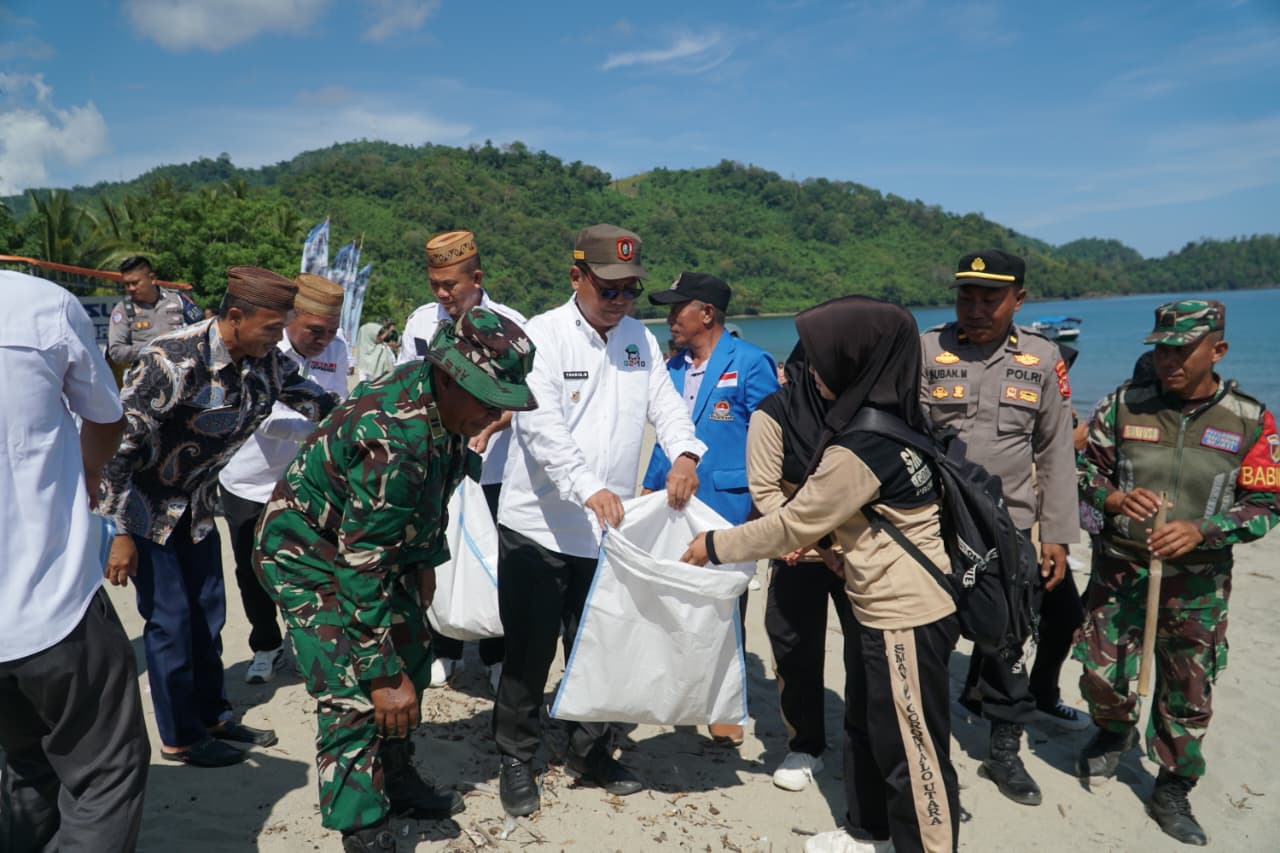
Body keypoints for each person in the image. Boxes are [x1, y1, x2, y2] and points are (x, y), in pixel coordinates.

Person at [683, 296, 961, 853]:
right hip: (903, 602)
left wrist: (713, 545)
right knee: (894, 734)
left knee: (916, 757)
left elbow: (792, 523)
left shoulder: (861, 446)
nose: (810, 369)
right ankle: (874, 832)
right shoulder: (897, 421)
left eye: (827, 356)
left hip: (902, 613)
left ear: (858, 362)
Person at [255, 307, 537, 853]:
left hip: (381, 550)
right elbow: (360, 568)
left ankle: (397, 777)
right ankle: (361, 824)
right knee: (358, 688)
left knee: (410, 654)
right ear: (452, 379)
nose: (494, 415)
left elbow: (433, 493)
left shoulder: (445, 408)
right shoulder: (393, 437)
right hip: (307, 556)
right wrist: (380, 677)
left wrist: (425, 561)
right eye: (488, 400)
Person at [493, 224, 706, 816]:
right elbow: (540, 428)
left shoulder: (639, 338)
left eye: (629, 291)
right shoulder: (544, 336)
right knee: (530, 653)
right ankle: (516, 756)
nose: (619, 302)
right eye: (608, 289)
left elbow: (666, 407)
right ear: (576, 276)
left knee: (600, 647)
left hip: (610, 533)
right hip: (538, 526)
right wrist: (588, 487)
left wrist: (686, 453)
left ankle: (589, 752)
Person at [98, 265, 341, 768]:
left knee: (209, 612)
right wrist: (116, 530)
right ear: (236, 317)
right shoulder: (172, 359)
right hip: (146, 507)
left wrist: (376, 414)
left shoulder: (266, 363)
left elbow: (320, 403)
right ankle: (181, 736)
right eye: (273, 328)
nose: (279, 339)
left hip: (201, 504)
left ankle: (213, 717)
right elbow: (119, 446)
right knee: (171, 620)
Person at [1074, 299, 1280, 846]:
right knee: (1100, 671)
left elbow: (1266, 504)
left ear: (1218, 350)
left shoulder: (1249, 418)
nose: (1169, 361)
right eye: (1161, 349)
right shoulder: (1124, 404)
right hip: (1120, 569)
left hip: (1198, 583)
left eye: (1182, 350)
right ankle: (1113, 731)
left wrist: (1203, 531)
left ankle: (1172, 784)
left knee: (1187, 690)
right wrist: (1115, 499)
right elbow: (1083, 470)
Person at [918, 249, 1083, 807]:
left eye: (990, 298)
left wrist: (1056, 534)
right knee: (928, 637)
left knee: (1007, 640)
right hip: (935, 524)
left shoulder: (1042, 358)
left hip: (1010, 526)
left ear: (1019, 300)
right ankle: (926, 743)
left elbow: (1057, 450)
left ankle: (1004, 751)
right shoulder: (927, 349)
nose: (976, 308)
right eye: (967, 296)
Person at [0, 270, 149, 853]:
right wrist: (88, 471)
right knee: (105, 773)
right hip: (50, 603)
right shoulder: (37, 305)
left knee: (25, 762)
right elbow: (106, 417)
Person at [641, 270, 779, 746]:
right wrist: (648, 487)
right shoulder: (671, 367)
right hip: (673, 504)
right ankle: (679, 690)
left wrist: (766, 503)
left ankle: (725, 707)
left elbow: (772, 437)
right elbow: (667, 436)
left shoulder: (753, 361)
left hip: (728, 505)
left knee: (725, 607)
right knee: (674, 598)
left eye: (677, 308)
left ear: (707, 313)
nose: (668, 317)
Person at [397, 229, 529, 692]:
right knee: (435, 550)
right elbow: (406, 383)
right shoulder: (420, 324)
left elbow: (526, 398)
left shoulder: (510, 324)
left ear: (476, 277)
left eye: (450, 284)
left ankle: (496, 652)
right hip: (434, 465)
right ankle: (444, 649)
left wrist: (494, 422)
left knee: (496, 560)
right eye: (434, 283)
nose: (441, 293)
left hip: (492, 468)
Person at [218, 273, 351, 684]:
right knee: (252, 570)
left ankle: (318, 640)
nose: (324, 340)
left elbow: (338, 401)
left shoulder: (339, 347)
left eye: (330, 332)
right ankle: (267, 644)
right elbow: (266, 418)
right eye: (315, 330)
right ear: (293, 318)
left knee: (317, 565)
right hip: (248, 481)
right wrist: (325, 429)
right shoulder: (262, 346)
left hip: (308, 482)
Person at [746, 344, 857, 792]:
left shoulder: (866, 408)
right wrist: (809, 541)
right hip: (796, 547)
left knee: (869, 650)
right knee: (793, 645)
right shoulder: (773, 413)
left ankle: (866, 738)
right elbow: (765, 489)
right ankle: (806, 743)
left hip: (857, 550)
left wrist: (839, 546)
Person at [106, 255, 203, 368]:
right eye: (127, 284)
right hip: (146, 377)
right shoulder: (123, 310)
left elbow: (202, 332)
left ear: (152, 279)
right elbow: (116, 352)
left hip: (184, 374)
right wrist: (154, 348)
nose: (131, 288)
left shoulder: (178, 300)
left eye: (135, 283)